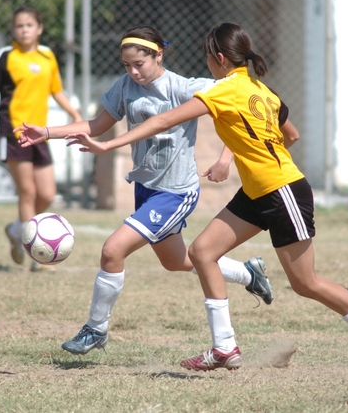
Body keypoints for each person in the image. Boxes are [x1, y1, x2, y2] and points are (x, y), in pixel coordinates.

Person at [19, 23, 348, 379]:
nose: (205, 62)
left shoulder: (220, 89)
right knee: (202, 252)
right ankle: (225, 347)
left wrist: (108, 145)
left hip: (282, 191)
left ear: (218, 58)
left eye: (207, 56)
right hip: (257, 191)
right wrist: (241, 155)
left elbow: (163, 120)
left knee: (306, 283)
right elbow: (289, 134)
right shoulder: (259, 88)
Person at [14, 25, 273, 355]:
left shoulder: (183, 88)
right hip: (146, 189)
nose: (133, 72)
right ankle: (248, 273)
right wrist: (47, 132)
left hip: (176, 193)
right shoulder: (125, 86)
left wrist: (225, 159)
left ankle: (96, 329)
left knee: (113, 250)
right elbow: (96, 126)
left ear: (158, 55)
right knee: (176, 261)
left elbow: (240, 107)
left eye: (140, 64)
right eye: (127, 65)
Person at [0, 5, 83, 272]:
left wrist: (74, 113)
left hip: (39, 134)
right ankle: (36, 257)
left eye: (29, 25)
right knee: (28, 192)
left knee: (47, 194)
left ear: (39, 29)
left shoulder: (47, 57)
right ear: (13, 30)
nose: (24, 30)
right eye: (19, 26)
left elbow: (56, 90)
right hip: (13, 132)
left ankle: (15, 230)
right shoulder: (6, 57)